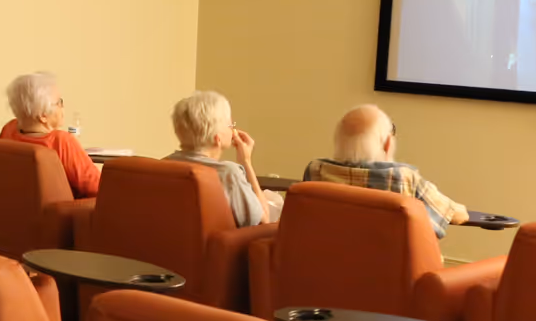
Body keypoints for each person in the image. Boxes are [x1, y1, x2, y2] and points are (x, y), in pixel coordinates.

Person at [307, 104, 467, 238]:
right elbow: (458, 216)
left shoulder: (316, 171)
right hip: (394, 274)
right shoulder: (404, 178)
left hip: (329, 270)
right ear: (387, 144)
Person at [164, 91, 278, 228]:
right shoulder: (228, 173)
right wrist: (246, 161)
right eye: (230, 125)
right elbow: (264, 220)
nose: (233, 129)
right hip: (221, 247)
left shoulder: (162, 165)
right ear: (217, 139)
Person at [0, 72, 100, 199]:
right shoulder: (62, 141)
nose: (62, 107)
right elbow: (98, 188)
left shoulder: (8, 131)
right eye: (59, 102)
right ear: (43, 115)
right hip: (63, 215)